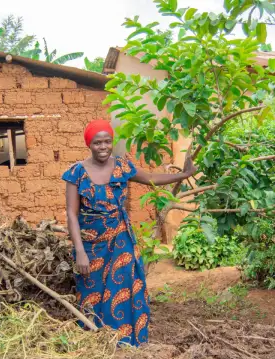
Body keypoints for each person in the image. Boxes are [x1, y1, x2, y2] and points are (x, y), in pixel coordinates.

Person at [62, 120, 196, 346]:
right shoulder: (76, 173)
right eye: (97, 142)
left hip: (120, 238)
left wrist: (183, 175)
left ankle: (127, 341)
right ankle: (94, 343)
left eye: (107, 141)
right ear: (89, 144)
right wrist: (79, 251)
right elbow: (71, 214)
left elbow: (152, 178)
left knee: (124, 285)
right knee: (91, 291)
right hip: (91, 245)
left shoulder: (122, 167)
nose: (103, 146)